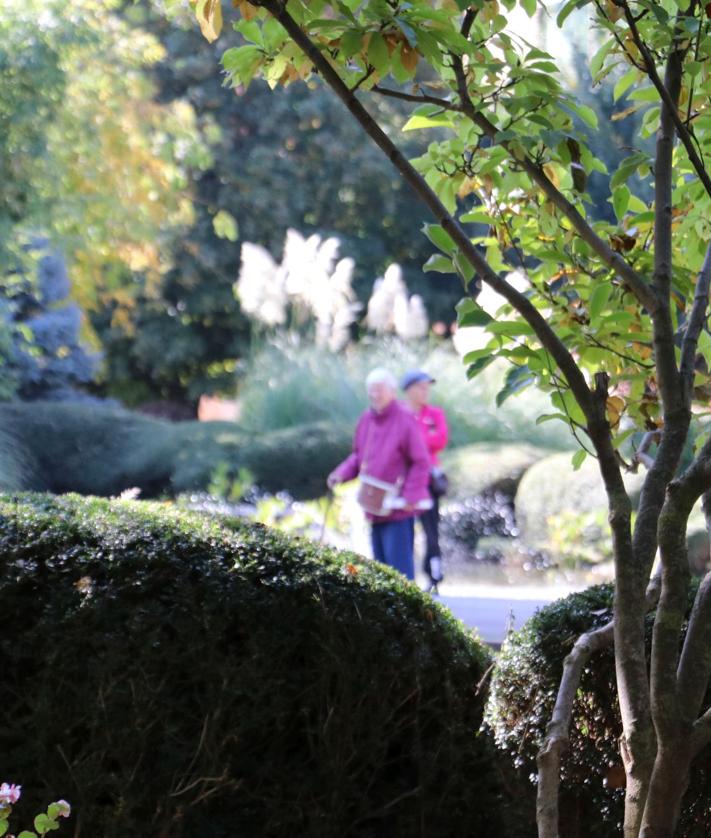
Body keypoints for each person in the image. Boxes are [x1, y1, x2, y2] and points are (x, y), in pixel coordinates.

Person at [327, 368, 431, 580]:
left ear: (392, 391)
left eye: (379, 390)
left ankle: (407, 613)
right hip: (374, 507)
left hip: (398, 507)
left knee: (400, 572)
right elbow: (358, 456)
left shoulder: (404, 419)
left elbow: (420, 462)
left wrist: (411, 496)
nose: (375, 395)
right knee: (380, 571)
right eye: (371, 391)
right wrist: (341, 474)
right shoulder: (367, 419)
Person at [401, 369, 449, 591]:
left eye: (427, 387)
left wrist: (414, 439)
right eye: (421, 387)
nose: (425, 391)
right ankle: (404, 573)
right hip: (404, 479)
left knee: (431, 529)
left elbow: (440, 439)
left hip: (429, 479)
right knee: (404, 528)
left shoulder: (434, 413)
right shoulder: (400, 414)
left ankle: (434, 575)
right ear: (409, 390)